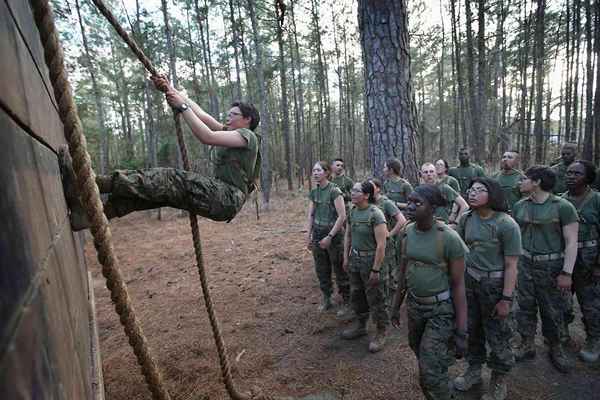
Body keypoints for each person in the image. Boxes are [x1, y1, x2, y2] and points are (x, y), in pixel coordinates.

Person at [60, 75, 261, 229]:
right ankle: (87, 217)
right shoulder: (232, 133)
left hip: (226, 198)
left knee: (168, 178)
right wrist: (170, 89)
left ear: (247, 120)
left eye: (233, 115)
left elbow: (206, 136)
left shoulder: (246, 136)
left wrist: (181, 106)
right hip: (222, 198)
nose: (227, 118)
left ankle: (83, 184)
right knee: (157, 193)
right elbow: (202, 115)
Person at [391, 185, 469, 400]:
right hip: (415, 307)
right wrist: (396, 306)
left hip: (440, 310)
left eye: (418, 203)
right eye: (410, 201)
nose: (411, 206)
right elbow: (404, 272)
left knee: (430, 370)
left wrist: (462, 331)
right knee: (420, 353)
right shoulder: (406, 232)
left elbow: (458, 285)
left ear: (433, 207)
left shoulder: (449, 238)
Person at [453, 178, 522, 400]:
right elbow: (460, 252)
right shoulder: (467, 219)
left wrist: (506, 298)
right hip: (470, 282)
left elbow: (512, 265)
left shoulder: (506, 224)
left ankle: (499, 379)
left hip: (496, 285)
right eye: (471, 190)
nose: (472, 194)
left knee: (499, 334)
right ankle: (474, 369)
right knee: (472, 329)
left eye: (479, 190)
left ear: (492, 195)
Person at [512, 166, 579, 373]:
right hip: (524, 264)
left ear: (537, 182)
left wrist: (567, 273)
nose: (520, 182)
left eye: (524, 179)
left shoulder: (563, 207)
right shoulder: (520, 205)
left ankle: (556, 347)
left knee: (552, 309)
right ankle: (527, 343)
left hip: (550, 266)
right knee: (524, 306)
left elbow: (571, 241)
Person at [341, 181, 389, 353]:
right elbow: (348, 234)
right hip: (355, 259)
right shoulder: (353, 211)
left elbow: (381, 245)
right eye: (352, 190)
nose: (352, 193)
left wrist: (376, 269)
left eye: (357, 191)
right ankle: (361, 324)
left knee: (376, 298)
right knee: (357, 294)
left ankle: (381, 331)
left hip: (371, 261)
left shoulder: (375, 214)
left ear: (367, 195)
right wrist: (346, 257)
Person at [563, 160, 600, 363]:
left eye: (576, 173)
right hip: (564, 262)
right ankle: (561, 336)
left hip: (589, 262)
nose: (570, 176)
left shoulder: (596, 200)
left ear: (587, 177)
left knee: (591, 304)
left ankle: (594, 339)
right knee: (561, 303)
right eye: (568, 173)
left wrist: (598, 265)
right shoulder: (560, 200)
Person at [306, 161, 351, 317]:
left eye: (318, 170)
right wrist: (309, 236)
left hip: (334, 235)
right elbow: (311, 215)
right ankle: (327, 298)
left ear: (326, 172)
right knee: (321, 269)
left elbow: (342, 216)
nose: (315, 173)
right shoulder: (314, 192)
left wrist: (330, 236)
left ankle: (347, 301)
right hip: (318, 233)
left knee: (340, 269)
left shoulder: (334, 191)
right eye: (314, 170)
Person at [371, 178, 407, 306]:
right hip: (372, 246)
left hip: (386, 247)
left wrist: (389, 234)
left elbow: (402, 220)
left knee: (390, 276)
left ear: (378, 188)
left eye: (372, 187)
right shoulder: (368, 203)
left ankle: (393, 304)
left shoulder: (386, 202)